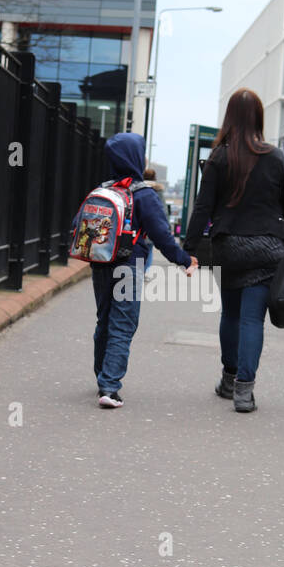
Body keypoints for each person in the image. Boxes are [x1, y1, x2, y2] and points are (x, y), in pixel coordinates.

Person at [183, 88, 284, 414]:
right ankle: (244, 394)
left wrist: (188, 249)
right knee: (253, 321)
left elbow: (203, 208)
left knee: (231, 315)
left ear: (230, 118)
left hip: (230, 248)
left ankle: (228, 379)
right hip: (268, 248)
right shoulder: (279, 158)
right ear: (259, 118)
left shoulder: (220, 157)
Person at [91, 132, 197, 408]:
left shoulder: (102, 190)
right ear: (135, 158)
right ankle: (110, 387)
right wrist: (184, 260)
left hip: (100, 263)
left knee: (104, 319)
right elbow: (161, 235)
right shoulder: (144, 195)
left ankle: (102, 376)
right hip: (128, 265)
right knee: (123, 324)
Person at [141, 165, 167, 278]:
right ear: (154, 177)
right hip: (153, 224)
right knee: (149, 249)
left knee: (138, 248)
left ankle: (138, 271)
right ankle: (145, 271)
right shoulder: (158, 190)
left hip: (140, 224)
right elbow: (163, 209)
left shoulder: (138, 187)